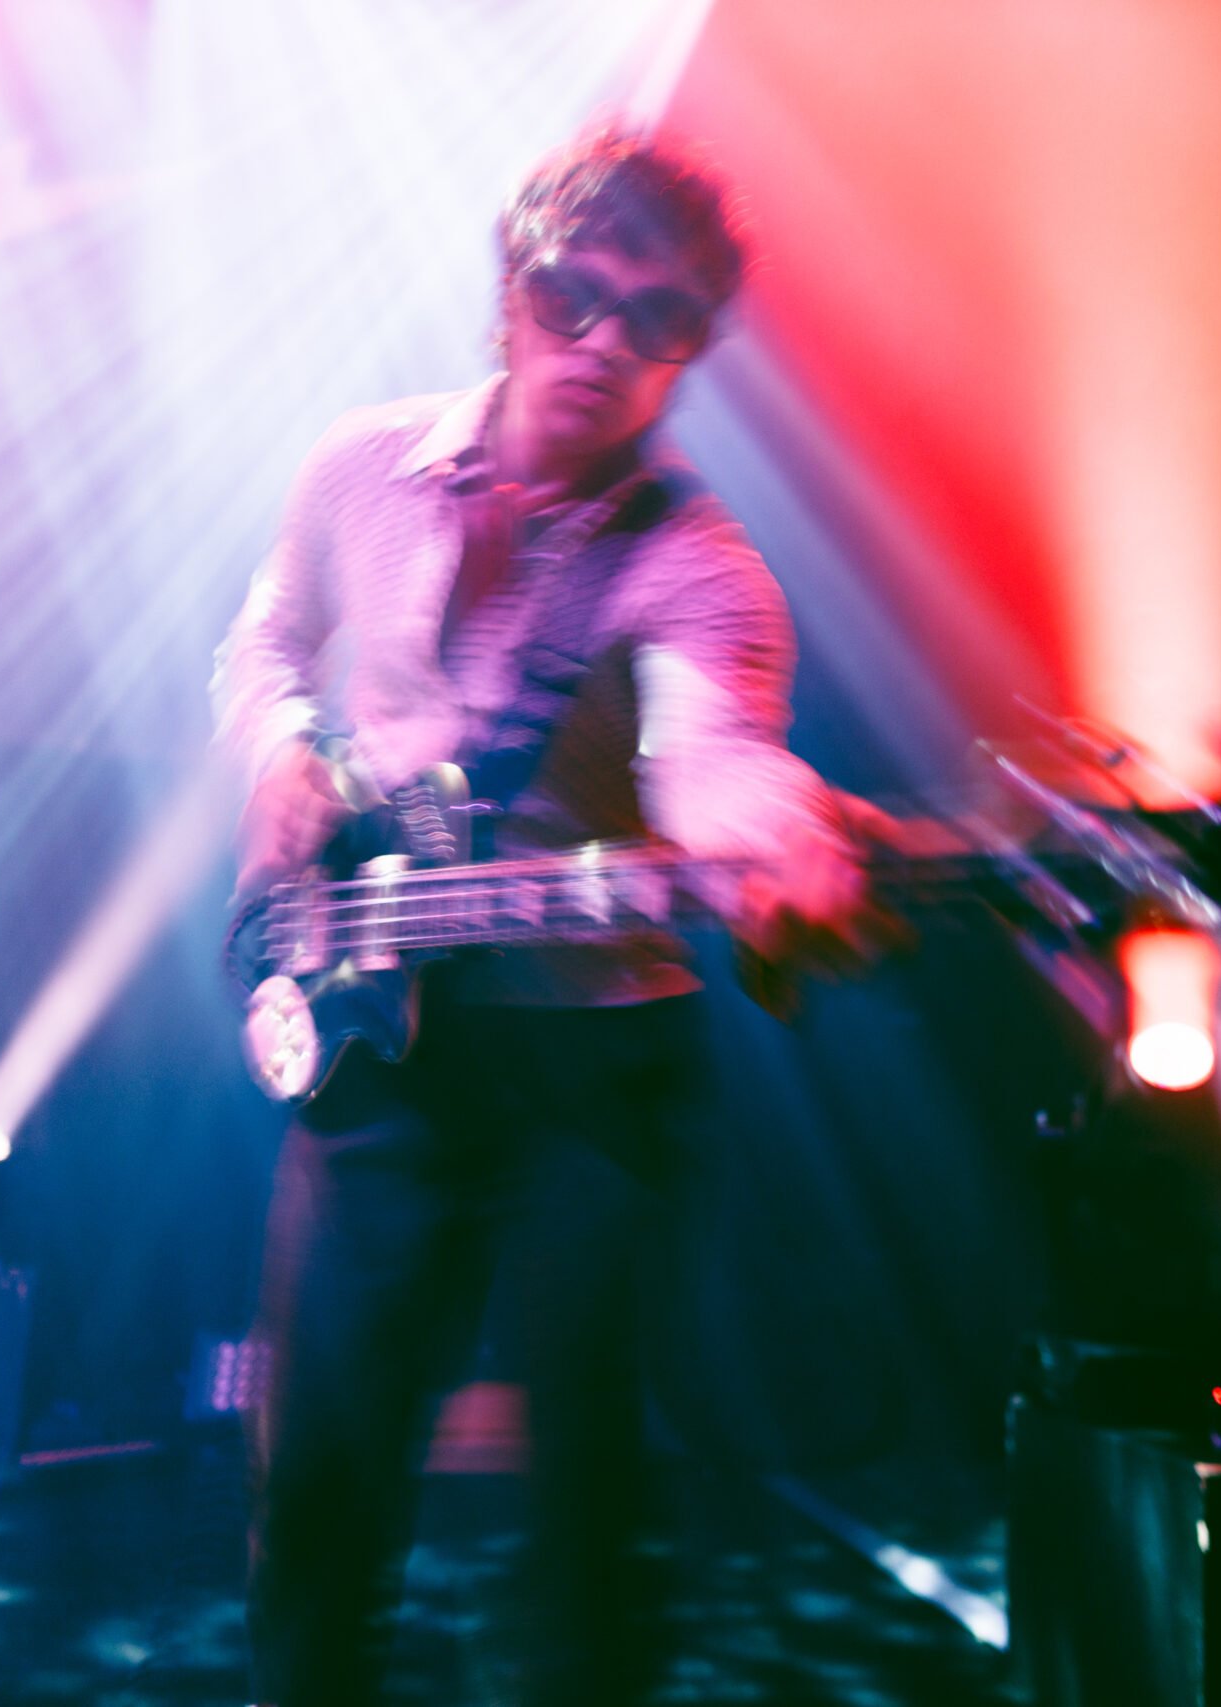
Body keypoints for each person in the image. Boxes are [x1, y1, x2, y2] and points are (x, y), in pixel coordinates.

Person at [211, 126, 872, 1706]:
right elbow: (267, 639)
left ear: (693, 348)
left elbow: (710, 759)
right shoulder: (360, 465)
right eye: (574, 296)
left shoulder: (703, 567)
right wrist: (282, 751)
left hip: (597, 1066)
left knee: (589, 1515)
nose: (604, 342)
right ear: (512, 290)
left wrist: (779, 835)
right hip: (384, 1042)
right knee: (318, 1489)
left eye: (658, 318)